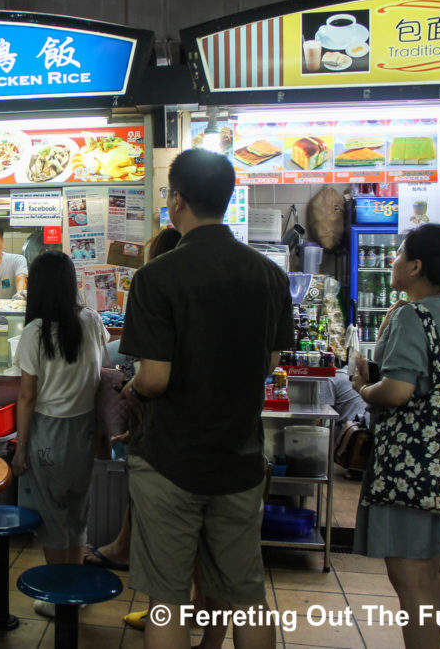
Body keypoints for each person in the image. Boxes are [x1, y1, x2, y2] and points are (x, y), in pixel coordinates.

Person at [120, 149, 291, 649]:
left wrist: (128, 388)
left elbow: (153, 379)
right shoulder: (269, 276)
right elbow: (270, 362)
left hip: (171, 459)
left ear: (176, 200)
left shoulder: (156, 278)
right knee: (247, 595)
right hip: (239, 458)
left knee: (166, 600)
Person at [350, 223, 440, 649]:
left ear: (416, 265)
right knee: (432, 573)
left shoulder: (413, 314)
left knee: (410, 578)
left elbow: (397, 391)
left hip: (411, 466)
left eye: (399, 253)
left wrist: (363, 389)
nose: (393, 260)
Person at [11, 250, 108, 618]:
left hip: (48, 433)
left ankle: (56, 595)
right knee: (76, 515)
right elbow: (102, 375)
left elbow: (27, 395)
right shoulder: (92, 320)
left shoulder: (35, 332)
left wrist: (20, 448)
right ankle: (75, 590)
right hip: (83, 430)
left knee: (52, 520)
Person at [84, 228, 182, 578]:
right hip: (180, 428)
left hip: (164, 424)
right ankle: (127, 546)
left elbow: (149, 376)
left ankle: (130, 550)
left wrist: (135, 395)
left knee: (150, 488)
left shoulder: (154, 285)